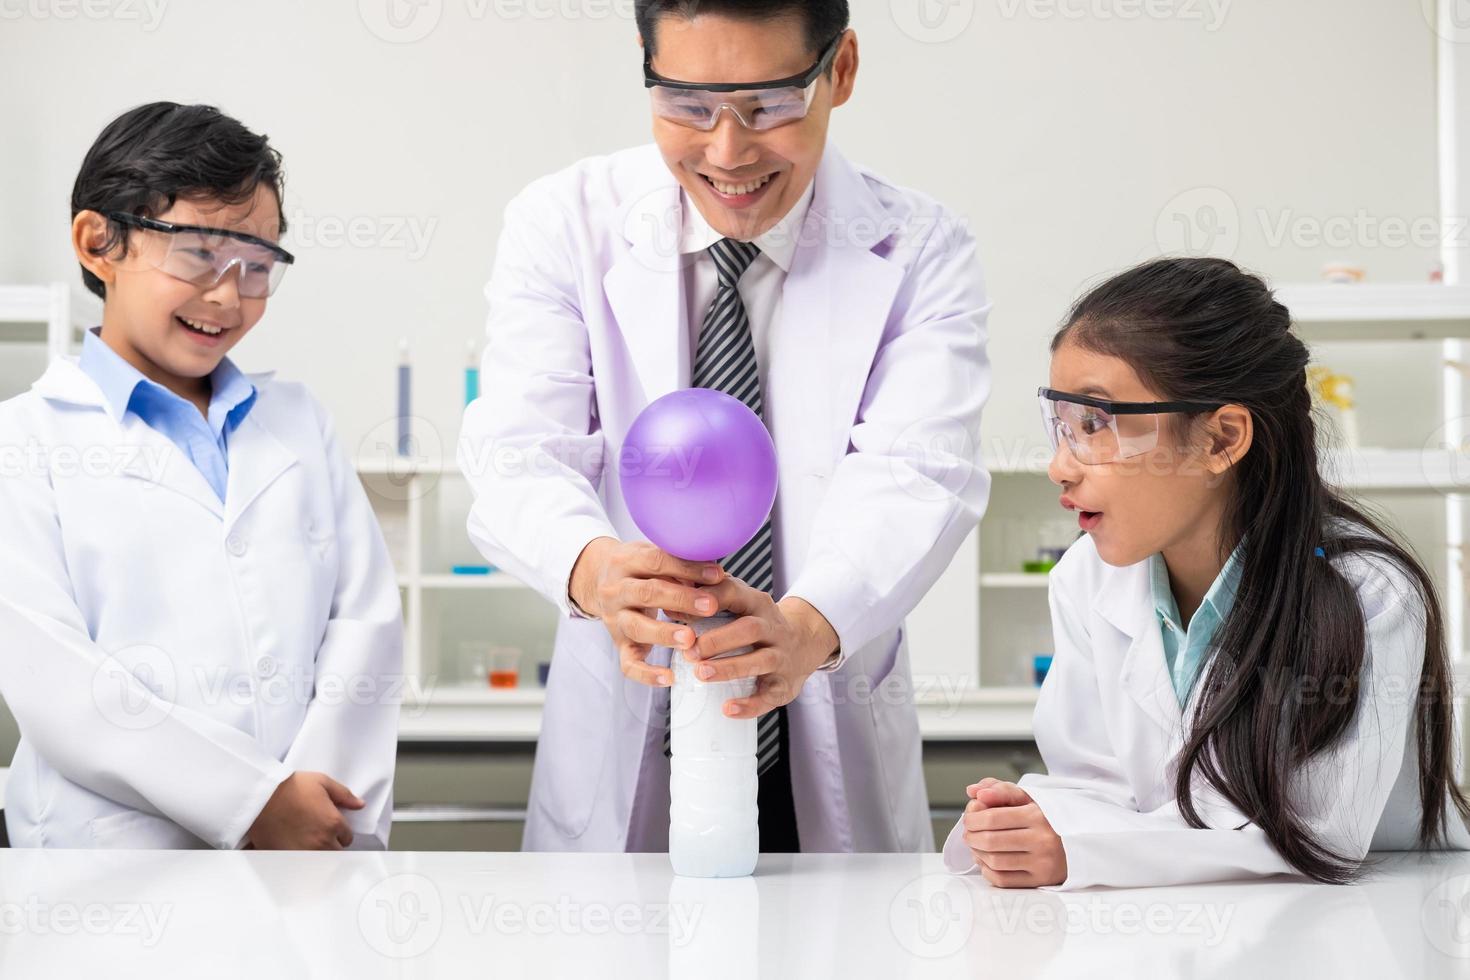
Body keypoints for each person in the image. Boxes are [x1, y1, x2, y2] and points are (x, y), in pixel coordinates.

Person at [459, 0, 991, 853]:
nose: (728, 150)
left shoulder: (920, 247)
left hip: (823, 718)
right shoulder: (564, 222)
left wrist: (810, 627)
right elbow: (520, 449)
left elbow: (917, 471)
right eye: (688, 104)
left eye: (771, 103)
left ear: (840, 70)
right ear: (645, 61)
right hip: (629, 725)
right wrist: (595, 571)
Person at [945, 256, 1470, 888]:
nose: (1060, 466)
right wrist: (1031, 819)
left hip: (1369, 920)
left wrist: (1079, 850)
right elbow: (1094, 785)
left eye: (1097, 425)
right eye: (1062, 426)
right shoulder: (1086, 579)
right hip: (1182, 926)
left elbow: (1319, 836)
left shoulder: (1369, 593)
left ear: (1221, 439)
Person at [0, 102, 402, 849]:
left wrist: (313, 810)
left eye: (256, 266)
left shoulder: (298, 422)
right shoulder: (22, 442)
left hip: (312, 855)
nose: (228, 296)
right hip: (109, 873)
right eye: (197, 255)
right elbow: (53, 678)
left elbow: (366, 629)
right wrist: (254, 804)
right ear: (99, 243)